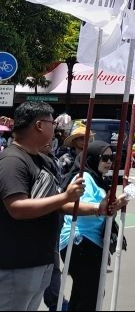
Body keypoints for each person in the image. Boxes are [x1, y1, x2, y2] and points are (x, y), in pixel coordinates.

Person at [0, 102, 85, 311]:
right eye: (51, 122)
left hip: (41, 260)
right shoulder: (12, 160)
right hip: (17, 264)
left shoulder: (41, 159)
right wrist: (65, 196)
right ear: (38, 125)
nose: (54, 127)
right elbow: (17, 207)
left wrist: (98, 208)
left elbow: (55, 203)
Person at [58, 141, 128, 311]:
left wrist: (114, 206)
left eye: (111, 158)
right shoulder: (85, 178)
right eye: (104, 158)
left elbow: (104, 213)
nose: (109, 162)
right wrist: (99, 208)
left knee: (86, 294)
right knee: (89, 295)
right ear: (91, 158)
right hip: (81, 240)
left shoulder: (97, 179)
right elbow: (69, 205)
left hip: (90, 242)